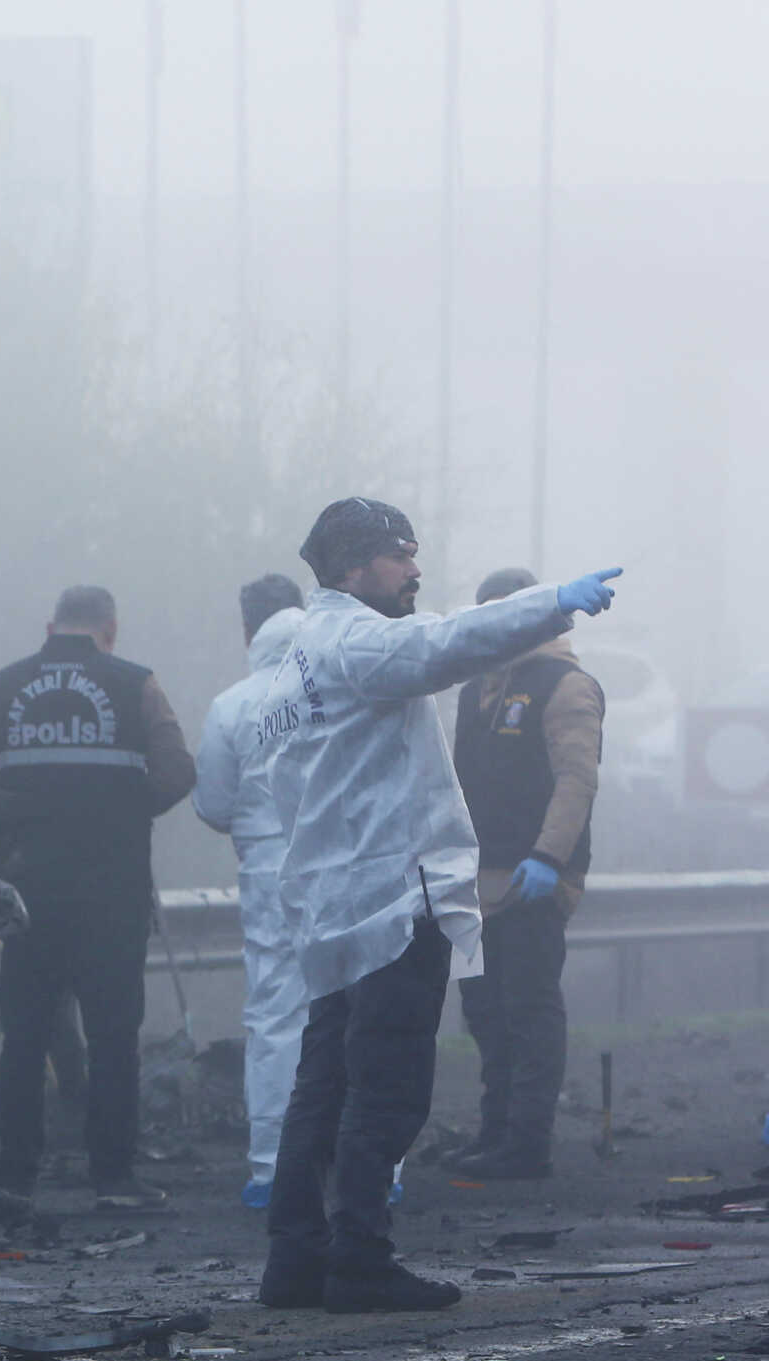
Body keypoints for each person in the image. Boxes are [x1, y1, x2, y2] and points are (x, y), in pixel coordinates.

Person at [256, 499, 620, 1313]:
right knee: (384, 1088)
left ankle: (296, 1257)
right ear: (352, 568)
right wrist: (554, 598)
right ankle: (358, 1257)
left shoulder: (293, 663)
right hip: (389, 902)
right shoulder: (357, 643)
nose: (416, 569)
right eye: (400, 555)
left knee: (324, 1083)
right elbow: (448, 642)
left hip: (330, 907)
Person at [0, 586, 195, 1209]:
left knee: (24, 1036)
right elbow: (177, 772)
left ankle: (13, 1178)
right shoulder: (137, 684)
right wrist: (120, 815)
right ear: (110, 631)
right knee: (115, 1036)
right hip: (110, 893)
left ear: (50, 626)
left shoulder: (2, 688)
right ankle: (114, 1178)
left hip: (27, 894)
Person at [442, 568, 606, 1180]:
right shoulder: (473, 687)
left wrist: (549, 858)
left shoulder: (565, 685)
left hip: (535, 876)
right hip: (473, 881)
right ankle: (496, 1130)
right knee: (483, 1009)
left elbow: (576, 780)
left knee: (529, 1006)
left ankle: (527, 1141)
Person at [192, 574, 309, 1209]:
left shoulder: (232, 705)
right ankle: (375, 1169)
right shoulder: (345, 687)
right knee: (356, 1012)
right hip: (348, 866)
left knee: (275, 1017)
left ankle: (271, 1169)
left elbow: (213, 804)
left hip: (270, 873)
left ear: (247, 628)